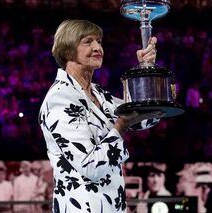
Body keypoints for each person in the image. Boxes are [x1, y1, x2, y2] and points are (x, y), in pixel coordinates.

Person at [38, 20, 162, 212]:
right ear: (68, 49)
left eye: (99, 41)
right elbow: (92, 166)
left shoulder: (98, 94)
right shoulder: (60, 98)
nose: (98, 48)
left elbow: (147, 117)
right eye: (88, 42)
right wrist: (120, 125)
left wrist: (146, 69)